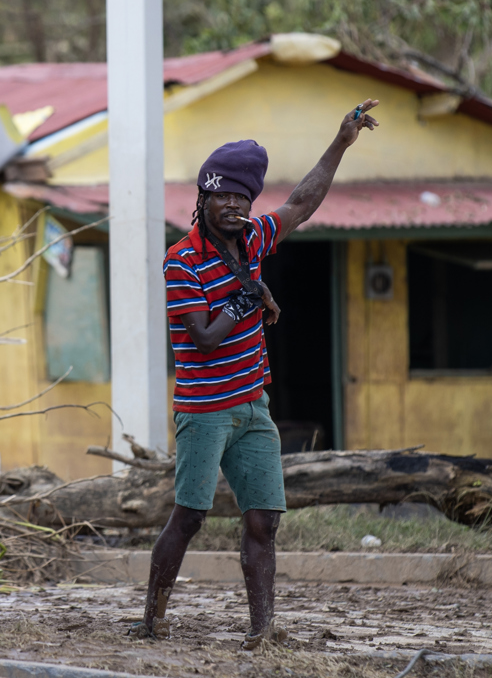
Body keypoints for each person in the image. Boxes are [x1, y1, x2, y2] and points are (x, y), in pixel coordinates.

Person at [129, 99, 380, 650]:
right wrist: (249, 302)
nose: (232, 206)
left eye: (241, 199)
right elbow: (201, 337)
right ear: (203, 197)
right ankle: (153, 617)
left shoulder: (255, 241)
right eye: (221, 195)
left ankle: (262, 631)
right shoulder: (181, 261)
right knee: (190, 517)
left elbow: (302, 203)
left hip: (252, 404)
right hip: (204, 409)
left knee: (264, 520)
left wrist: (341, 142)